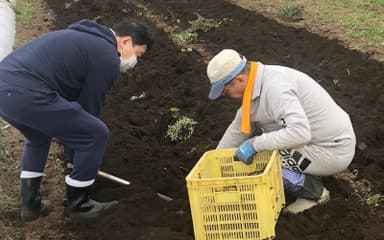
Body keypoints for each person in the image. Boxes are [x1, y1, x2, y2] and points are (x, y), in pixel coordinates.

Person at [0, 18, 153, 222]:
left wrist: (73, 148)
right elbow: (89, 108)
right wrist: (78, 154)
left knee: (39, 138)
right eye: (138, 54)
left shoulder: (84, 38)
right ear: (125, 42)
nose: (135, 61)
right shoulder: (106, 55)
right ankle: (79, 205)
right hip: (27, 91)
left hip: (5, 90)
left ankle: (31, 205)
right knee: (95, 133)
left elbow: (72, 105)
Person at [206, 49, 356, 214]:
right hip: (315, 142)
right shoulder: (257, 83)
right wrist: (214, 164)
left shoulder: (275, 89)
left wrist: (255, 144)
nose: (227, 95)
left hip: (332, 150)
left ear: (239, 79)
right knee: (259, 142)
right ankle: (306, 172)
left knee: (263, 157)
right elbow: (238, 128)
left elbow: (299, 133)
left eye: (226, 91)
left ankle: (315, 194)